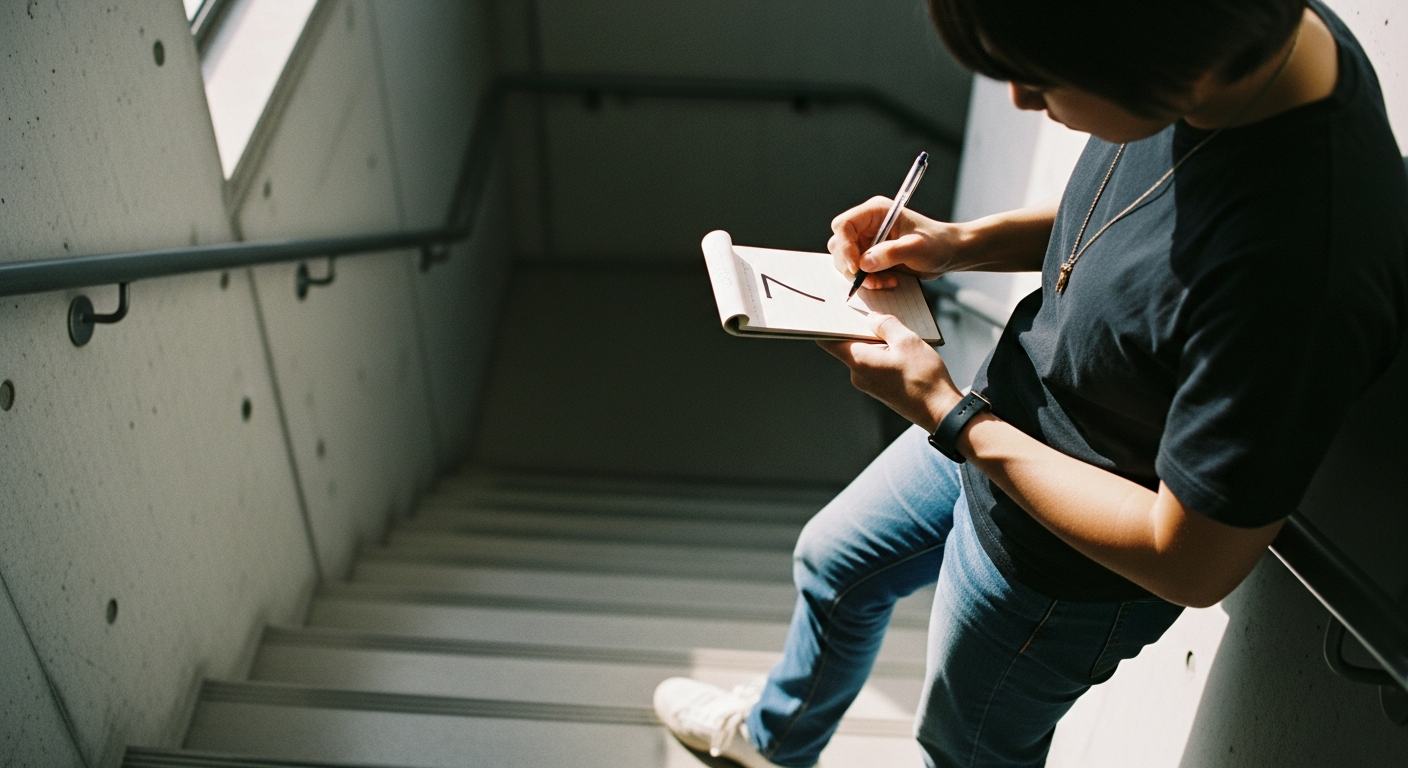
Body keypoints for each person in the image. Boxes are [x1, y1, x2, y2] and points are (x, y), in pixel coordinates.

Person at [654, 0, 1408, 766]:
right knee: (832, 560)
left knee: (964, 749)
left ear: (1165, 68)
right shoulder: (1245, 42)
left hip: (1055, 576)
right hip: (998, 414)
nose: (1019, 99)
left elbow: (1193, 561)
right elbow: (1142, 222)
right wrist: (956, 245)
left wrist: (946, 414)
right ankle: (776, 741)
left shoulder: (1298, 271)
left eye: (1041, 83)